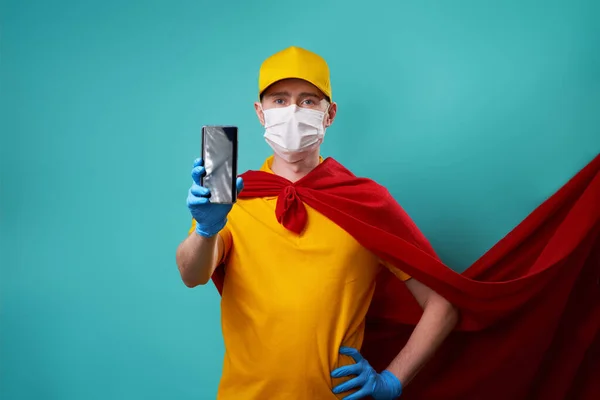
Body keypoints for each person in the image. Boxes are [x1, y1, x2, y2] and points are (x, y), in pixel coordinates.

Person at [175, 46, 458, 400]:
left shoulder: (366, 203)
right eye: (279, 100)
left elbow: (442, 304)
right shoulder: (233, 196)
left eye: (308, 101)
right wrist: (206, 230)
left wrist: (392, 380)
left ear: (330, 114)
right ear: (260, 113)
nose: (292, 111)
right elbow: (192, 275)